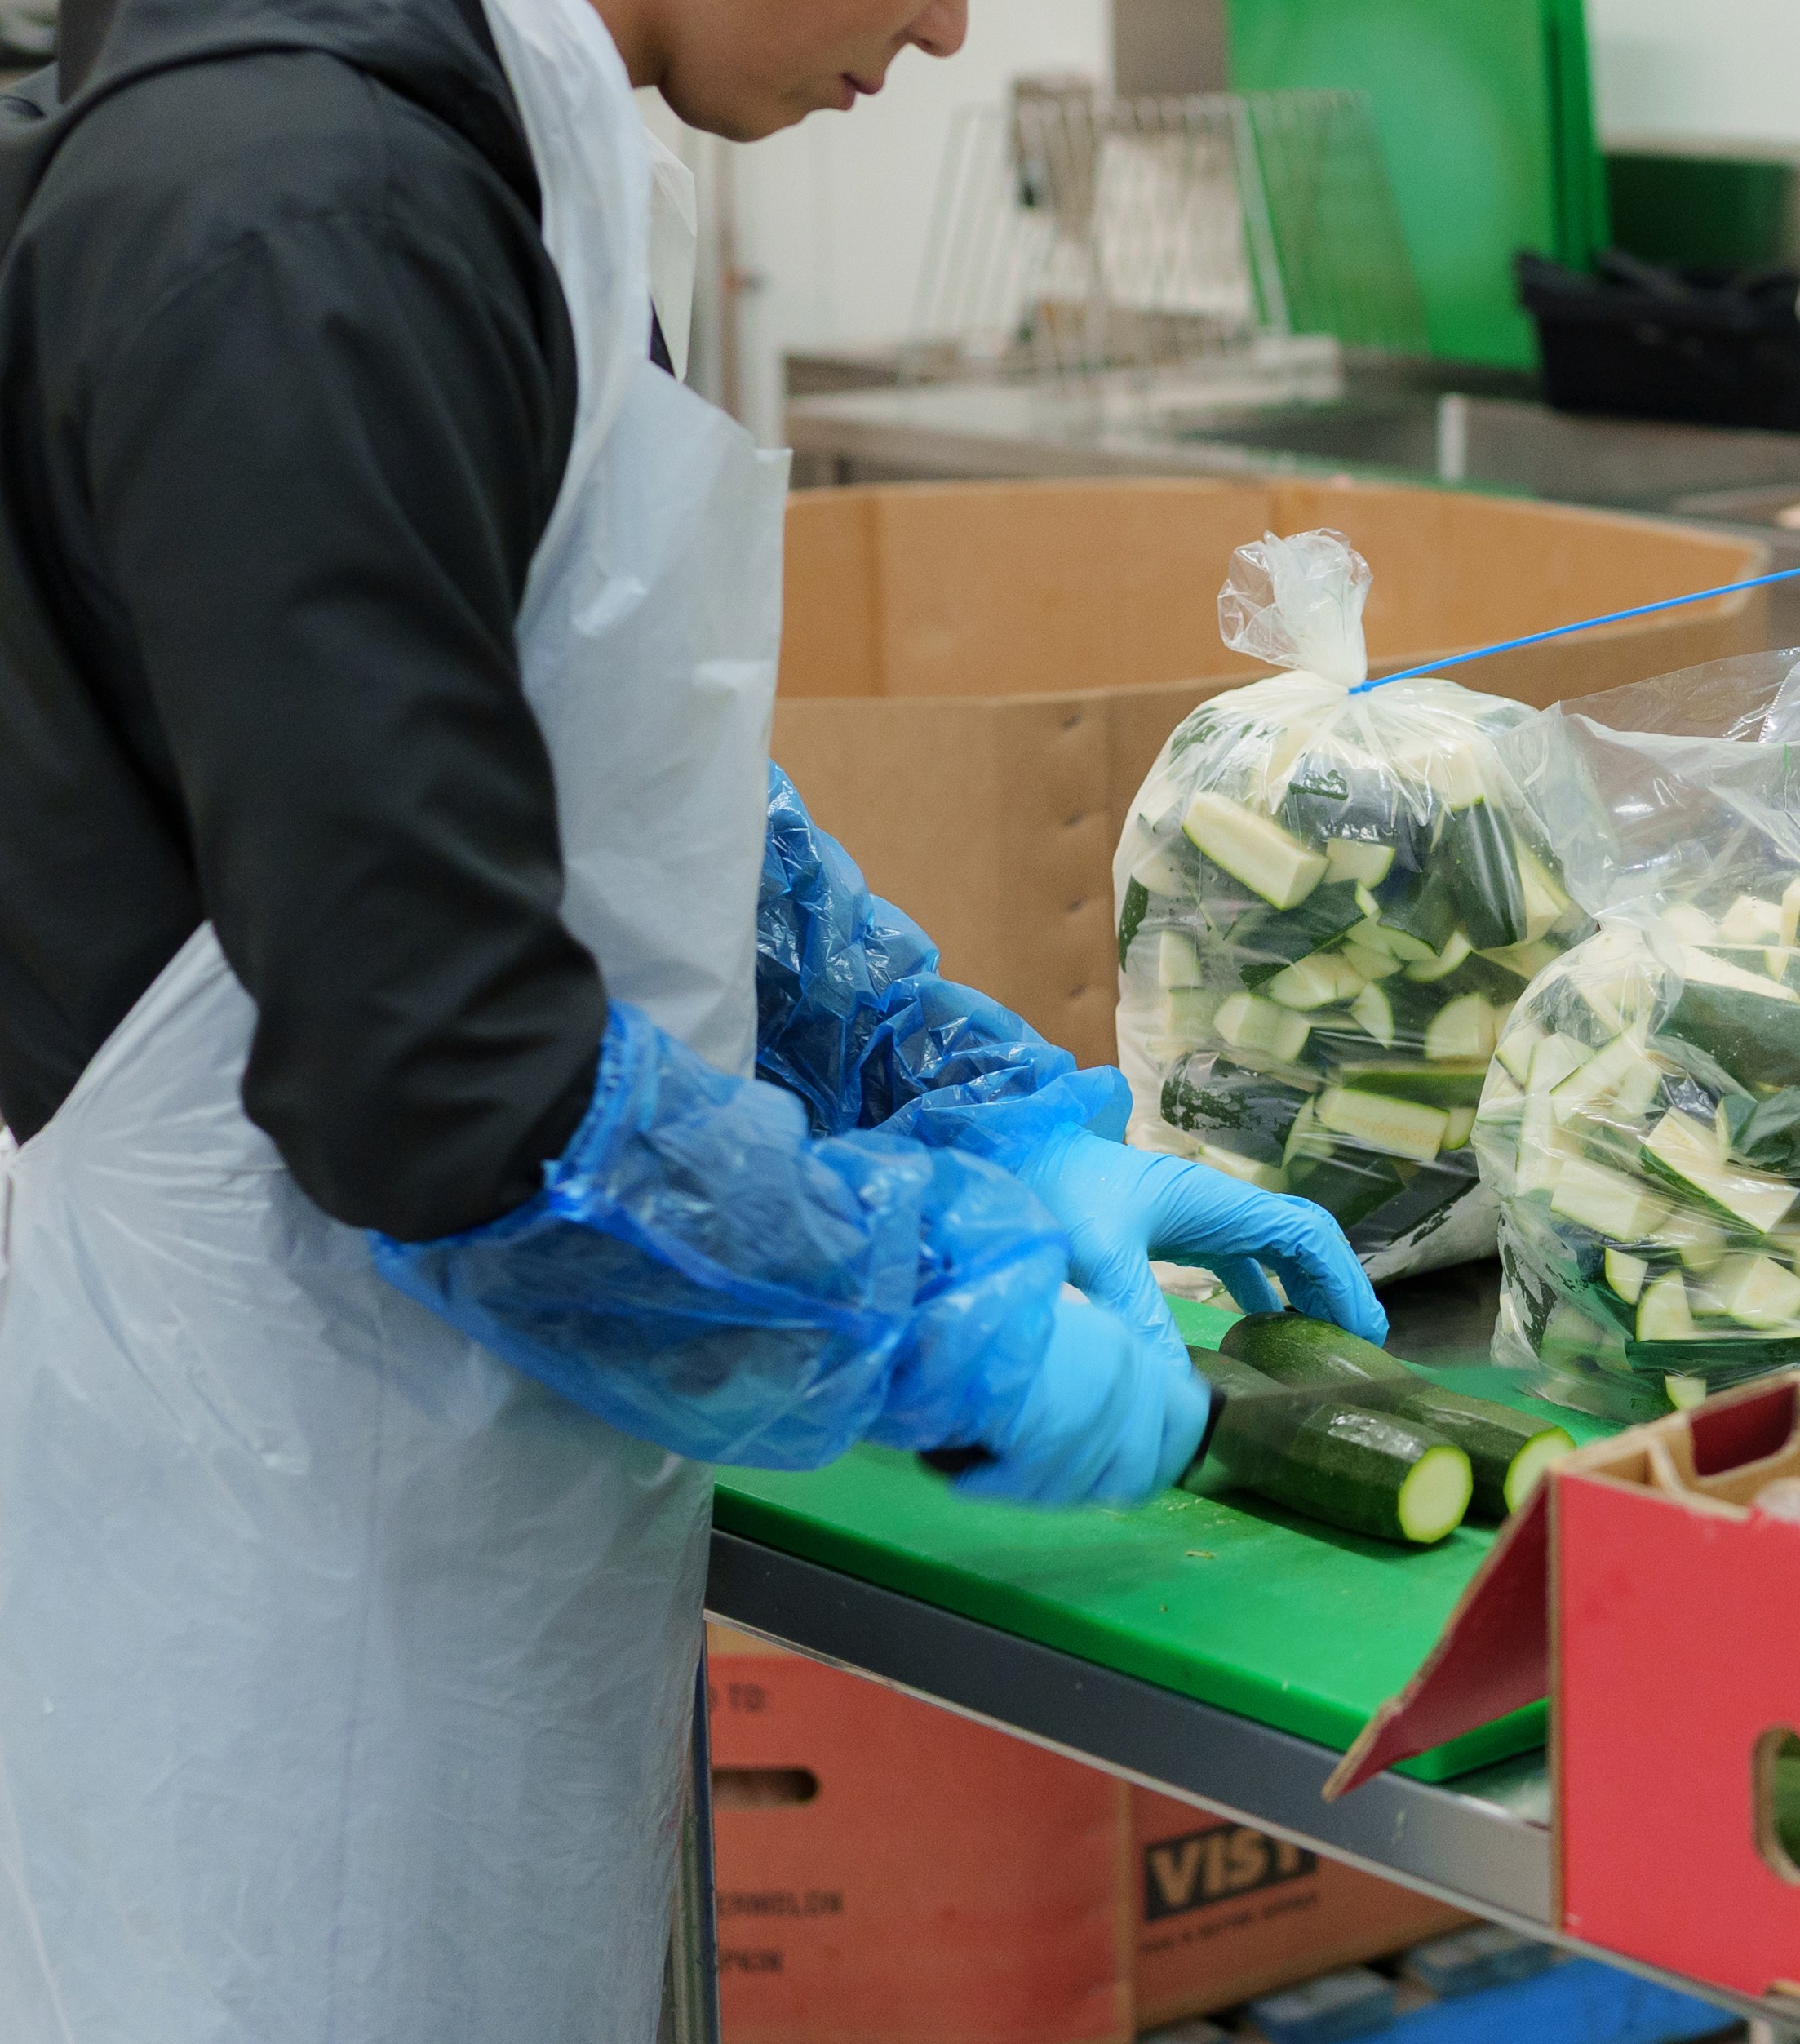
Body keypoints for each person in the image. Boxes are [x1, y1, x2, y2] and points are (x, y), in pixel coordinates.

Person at [0, 0, 1385, 2036]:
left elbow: (612, 787)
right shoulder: (299, 221)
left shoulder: (503, 157)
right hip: (273, 1541)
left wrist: (981, 1105)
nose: (949, 26)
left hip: (460, 1474)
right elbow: (460, 1101)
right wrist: (930, 1310)